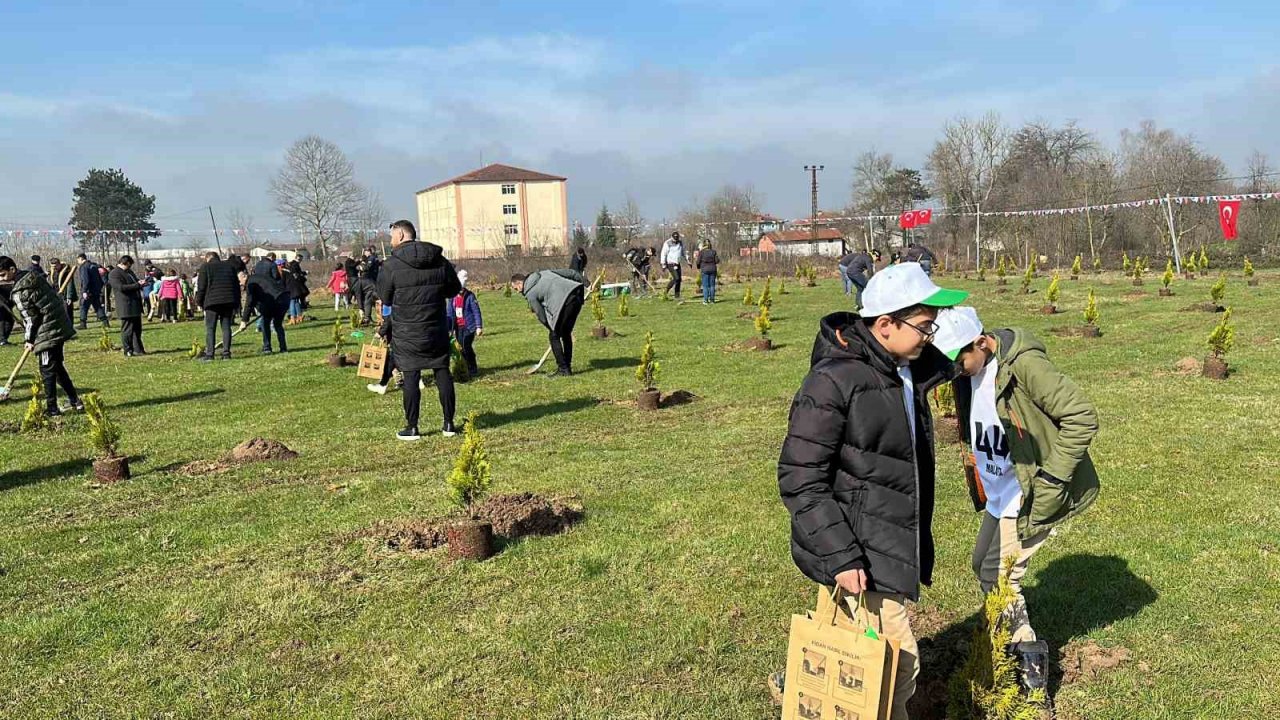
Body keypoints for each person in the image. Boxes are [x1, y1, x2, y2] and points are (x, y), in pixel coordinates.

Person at [775, 262, 968, 719]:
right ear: (885, 325)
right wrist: (841, 555)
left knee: (855, 672)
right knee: (896, 666)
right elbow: (800, 477)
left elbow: (946, 362)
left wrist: (981, 350)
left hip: (887, 538)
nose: (931, 335)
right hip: (862, 550)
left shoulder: (902, 366)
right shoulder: (832, 383)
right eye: (924, 326)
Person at [932, 306, 1100, 693]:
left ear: (981, 342)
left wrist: (1052, 480)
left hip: (1028, 492)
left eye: (958, 361)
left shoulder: (1024, 367)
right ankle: (1002, 638)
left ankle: (1028, 677)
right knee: (983, 566)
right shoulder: (968, 368)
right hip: (999, 491)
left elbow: (1081, 416)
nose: (952, 372)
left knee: (1004, 579)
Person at [376, 219, 462, 441]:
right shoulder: (440, 261)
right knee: (443, 372)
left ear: (402, 236)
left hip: (407, 331)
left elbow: (385, 297)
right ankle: (449, 424)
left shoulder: (391, 266)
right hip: (436, 327)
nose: (391, 241)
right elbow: (454, 289)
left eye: (392, 236)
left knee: (411, 377)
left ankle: (412, 427)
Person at [1, 256, 82, 415]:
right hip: (58, 325)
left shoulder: (20, 291)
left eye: (2, 275)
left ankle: (52, 409)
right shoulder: (32, 277)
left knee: (47, 370)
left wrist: (29, 339)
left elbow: (32, 318)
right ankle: (75, 401)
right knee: (57, 367)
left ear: (12, 269)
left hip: (47, 331)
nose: (1, 279)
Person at [513, 267, 585, 377]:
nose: (517, 291)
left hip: (564, 303)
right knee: (566, 333)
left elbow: (541, 315)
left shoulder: (530, 294)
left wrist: (552, 329)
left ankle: (563, 369)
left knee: (554, 336)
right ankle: (567, 368)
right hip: (577, 296)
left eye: (515, 288)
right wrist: (586, 283)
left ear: (519, 283)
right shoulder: (545, 273)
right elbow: (572, 273)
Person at [195, 251, 242, 361]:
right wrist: (236, 302)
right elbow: (236, 285)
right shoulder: (229, 266)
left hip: (212, 302)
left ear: (208, 258)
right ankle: (226, 353)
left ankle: (210, 354)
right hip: (228, 301)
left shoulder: (205, 267)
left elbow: (201, 287)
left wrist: (199, 302)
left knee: (211, 328)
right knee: (226, 327)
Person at [241, 259, 289, 354]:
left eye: (239, 281)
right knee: (277, 324)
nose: (240, 283)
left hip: (274, 300)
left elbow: (249, 302)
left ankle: (267, 348)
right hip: (284, 297)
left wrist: (244, 321)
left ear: (244, 277)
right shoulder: (259, 277)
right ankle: (283, 348)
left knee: (265, 323)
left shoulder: (251, 283)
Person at [107, 255, 146, 357]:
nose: (130, 267)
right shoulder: (114, 273)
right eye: (129, 264)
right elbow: (121, 287)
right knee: (127, 330)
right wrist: (137, 285)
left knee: (137, 329)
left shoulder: (129, 272)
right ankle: (127, 349)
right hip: (126, 305)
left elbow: (135, 281)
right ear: (125, 263)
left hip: (135, 304)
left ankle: (138, 349)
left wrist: (141, 283)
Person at [451, 270, 484, 378]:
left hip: (469, 327)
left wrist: (479, 326)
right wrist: (449, 328)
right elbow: (450, 313)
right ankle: (464, 366)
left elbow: (476, 311)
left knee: (466, 345)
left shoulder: (470, 296)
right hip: (458, 327)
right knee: (460, 348)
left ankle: (473, 367)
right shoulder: (452, 298)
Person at [76, 253, 110, 330]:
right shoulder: (94, 265)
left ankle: (83, 324)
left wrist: (84, 290)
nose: (78, 261)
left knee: (83, 306)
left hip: (88, 290)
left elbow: (85, 279)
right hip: (96, 290)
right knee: (97, 306)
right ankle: (105, 322)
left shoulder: (84, 267)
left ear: (81, 258)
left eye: (78, 259)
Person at [660, 231, 688, 298]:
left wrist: (688, 260)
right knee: (676, 278)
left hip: (677, 263)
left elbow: (683, 252)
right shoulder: (667, 243)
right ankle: (666, 291)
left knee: (679, 279)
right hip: (670, 264)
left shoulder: (680, 242)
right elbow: (663, 253)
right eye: (674, 238)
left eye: (677, 238)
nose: (676, 240)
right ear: (672, 237)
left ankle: (677, 295)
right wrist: (663, 264)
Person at [48, 258, 77, 322]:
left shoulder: (67, 271)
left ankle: (70, 326)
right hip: (56, 294)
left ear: (59, 264)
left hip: (64, 294)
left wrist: (69, 297)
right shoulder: (52, 271)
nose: (54, 268)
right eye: (52, 266)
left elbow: (70, 284)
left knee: (67, 312)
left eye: (55, 266)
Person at [695, 240, 720, 304]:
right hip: (713, 269)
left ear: (704, 245)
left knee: (705, 286)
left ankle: (705, 300)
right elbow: (717, 261)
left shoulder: (701, 252)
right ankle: (712, 300)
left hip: (704, 270)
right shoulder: (714, 252)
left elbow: (698, 262)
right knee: (712, 286)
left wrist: (698, 267)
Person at [285, 259, 308, 324]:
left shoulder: (285, 271)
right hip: (297, 288)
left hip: (291, 288)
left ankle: (293, 317)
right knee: (296, 301)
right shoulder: (292, 271)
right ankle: (299, 316)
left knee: (292, 302)